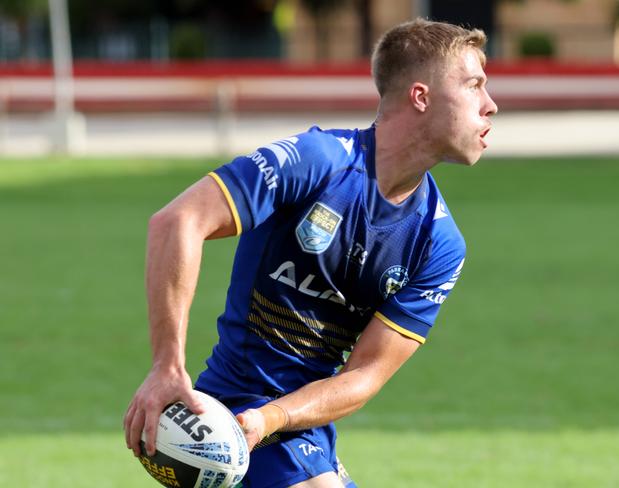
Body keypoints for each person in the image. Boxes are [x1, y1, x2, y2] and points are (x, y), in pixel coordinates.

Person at [124, 18, 497, 488]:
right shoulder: (318, 161)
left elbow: (365, 376)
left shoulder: (440, 244)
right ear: (421, 97)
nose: (491, 105)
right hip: (237, 405)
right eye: (474, 86)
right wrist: (166, 367)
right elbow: (177, 221)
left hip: (292, 426)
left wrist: (275, 418)